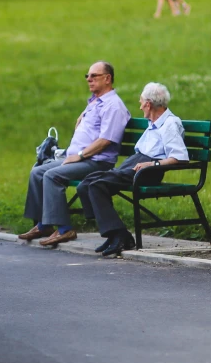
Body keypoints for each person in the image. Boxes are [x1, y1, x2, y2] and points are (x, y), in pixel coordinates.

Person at [19, 61, 131, 247]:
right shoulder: (95, 102)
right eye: (87, 76)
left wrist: (80, 155)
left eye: (94, 76)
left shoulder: (113, 106)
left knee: (52, 176)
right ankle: (44, 224)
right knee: (37, 172)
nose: (89, 79)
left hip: (96, 162)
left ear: (107, 78)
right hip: (80, 158)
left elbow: (106, 140)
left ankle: (65, 229)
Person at [76, 82, 189, 256]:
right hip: (136, 164)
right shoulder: (154, 122)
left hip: (148, 171)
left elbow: (180, 157)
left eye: (141, 102)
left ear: (148, 104)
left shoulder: (170, 124)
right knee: (86, 183)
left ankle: (120, 235)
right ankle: (113, 234)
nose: (140, 105)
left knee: (98, 185)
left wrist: (152, 164)